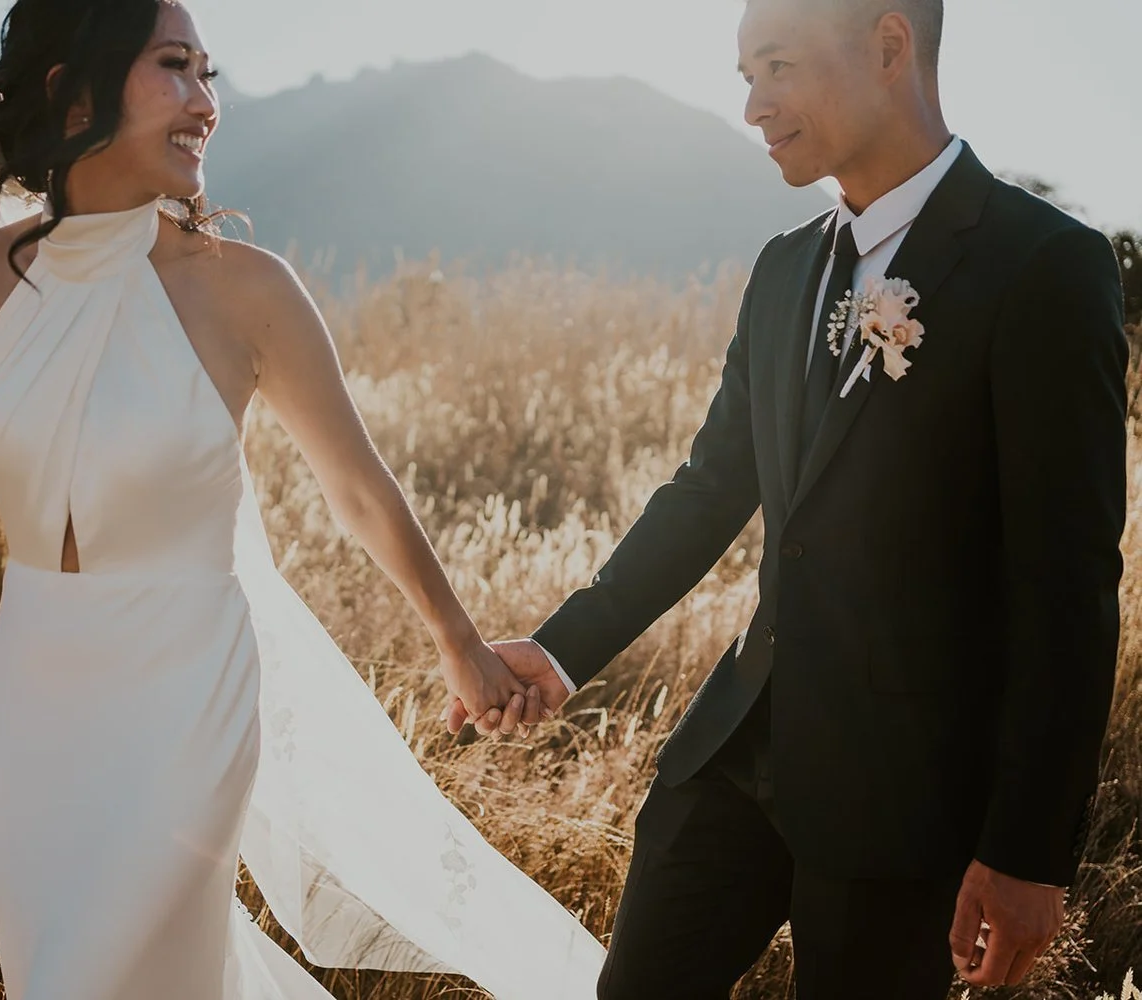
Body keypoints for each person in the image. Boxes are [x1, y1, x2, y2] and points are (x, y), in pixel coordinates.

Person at [0, 1, 604, 997]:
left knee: (113, 970)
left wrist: (459, 645)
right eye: (176, 68)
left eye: (210, 73)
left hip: (187, 684)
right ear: (72, 92)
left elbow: (358, 489)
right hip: (34, 695)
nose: (208, 102)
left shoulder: (247, 290)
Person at [452, 0, 1129, 996]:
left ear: (891, 46)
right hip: (733, 757)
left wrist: (1029, 850)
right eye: (744, 77)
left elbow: (1069, 587)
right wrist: (560, 650)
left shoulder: (1043, 267)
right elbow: (709, 489)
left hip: (907, 801)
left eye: (778, 67)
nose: (755, 107)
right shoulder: (782, 271)